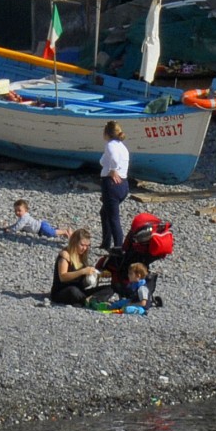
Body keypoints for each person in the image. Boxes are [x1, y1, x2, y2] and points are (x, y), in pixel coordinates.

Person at [98, 121, 132, 252]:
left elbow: (114, 158)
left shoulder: (110, 145)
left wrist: (113, 169)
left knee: (113, 218)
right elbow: (105, 160)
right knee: (105, 212)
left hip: (112, 185)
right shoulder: (122, 146)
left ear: (106, 133)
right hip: (123, 185)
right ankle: (106, 243)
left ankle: (119, 247)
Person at [50, 228, 102, 307]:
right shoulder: (65, 255)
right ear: (74, 242)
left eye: (87, 246)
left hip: (80, 289)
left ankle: (89, 300)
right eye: (82, 245)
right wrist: (82, 271)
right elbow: (63, 277)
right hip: (63, 291)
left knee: (110, 288)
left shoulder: (82, 256)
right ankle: (88, 301)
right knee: (73, 291)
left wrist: (97, 274)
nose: (84, 248)